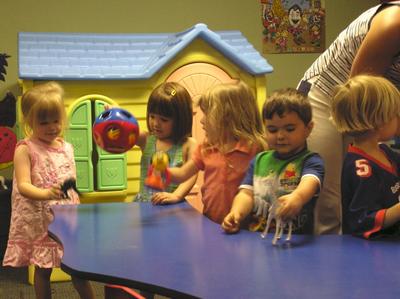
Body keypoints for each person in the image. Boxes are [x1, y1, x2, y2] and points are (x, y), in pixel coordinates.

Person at [298, 1, 400, 234]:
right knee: (328, 201)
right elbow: (358, 95)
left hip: (372, 107)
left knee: (353, 197)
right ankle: (326, 266)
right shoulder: (393, 23)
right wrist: (389, 123)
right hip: (329, 98)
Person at [2, 82, 95, 299]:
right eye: (44, 122)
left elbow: (69, 179)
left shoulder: (66, 147)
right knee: (43, 270)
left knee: (78, 269)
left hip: (67, 221)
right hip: (42, 221)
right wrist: (45, 193)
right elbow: (23, 185)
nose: (52, 127)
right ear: (29, 121)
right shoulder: (25, 149)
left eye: (56, 120)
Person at [222, 88, 324, 234]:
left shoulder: (311, 161)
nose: (280, 136)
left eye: (289, 129)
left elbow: (310, 183)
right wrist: (236, 213)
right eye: (272, 130)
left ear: (308, 129)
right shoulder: (258, 161)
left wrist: (297, 197)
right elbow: (246, 194)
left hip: (295, 242)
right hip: (258, 240)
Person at [166, 81, 267, 224]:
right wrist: (164, 172)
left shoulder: (255, 149)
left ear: (228, 117)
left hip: (247, 227)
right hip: (210, 223)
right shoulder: (207, 148)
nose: (201, 120)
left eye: (207, 114)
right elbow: (183, 174)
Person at [331, 75, 400, 239]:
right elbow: (362, 221)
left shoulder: (385, 152)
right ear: (379, 121)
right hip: (373, 252)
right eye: (395, 114)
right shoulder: (361, 168)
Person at [134, 81, 197, 205]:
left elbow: (191, 175)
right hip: (145, 205)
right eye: (152, 116)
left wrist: (176, 195)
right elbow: (128, 132)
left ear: (180, 119)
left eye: (164, 119)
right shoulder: (146, 139)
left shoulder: (188, 145)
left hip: (172, 207)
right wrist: (117, 118)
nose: (156, 124)